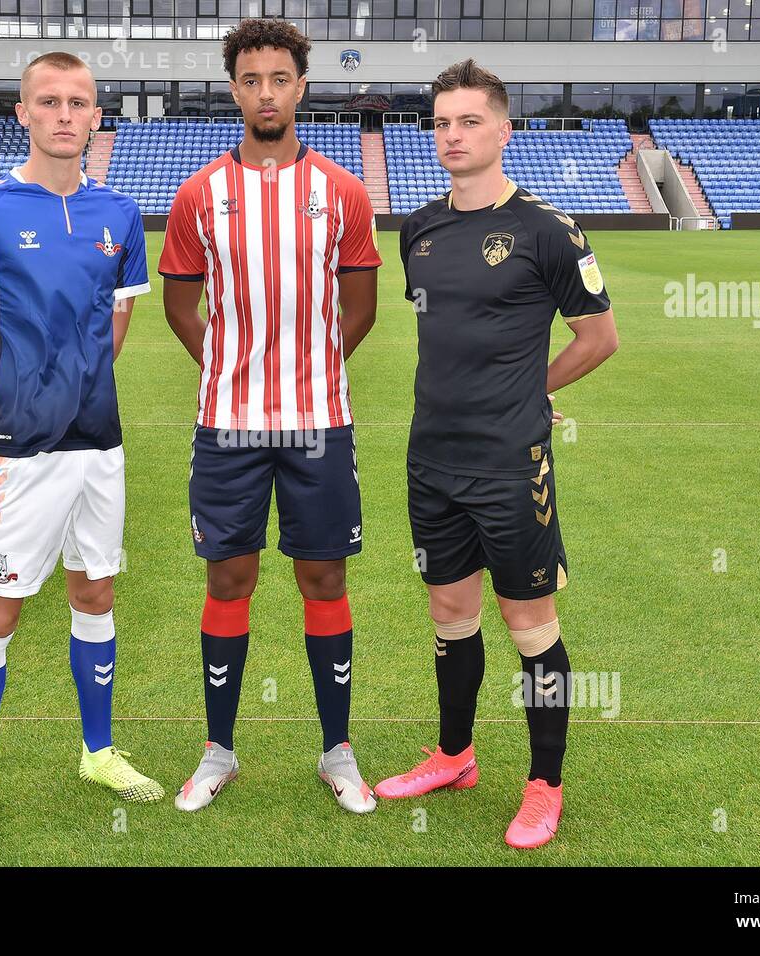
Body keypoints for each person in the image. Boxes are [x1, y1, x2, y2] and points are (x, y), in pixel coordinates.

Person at [375, 59, 619, 850]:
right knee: (450, 616)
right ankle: (454, 755)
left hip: (512, 462)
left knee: (528, 621)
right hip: (431, 458)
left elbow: (599, 338)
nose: (451, 135)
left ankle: (545, 785)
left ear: (503, 129)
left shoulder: (550, 231)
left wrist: (532, 389)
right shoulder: (418, 228)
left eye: (468, 121)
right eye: (441, 122)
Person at [0, 51, 161, 849]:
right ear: (23, 112)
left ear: (97, 116)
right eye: (50, 101)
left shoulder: (121, 216)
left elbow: (118, 326)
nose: (67, 114)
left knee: (96, 595)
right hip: (21, 456)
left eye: (81, 102)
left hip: (100, 447)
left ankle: (97, 753)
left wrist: (77, 396)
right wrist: (14, 407)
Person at [159, 18, 382, 814]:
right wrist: (228, 367)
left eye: (279, 78)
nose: (265, 92)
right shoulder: (200, 194)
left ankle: (338, 753)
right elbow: (178, 304)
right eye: (251, 79)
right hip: (229, 422)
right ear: (234, 89)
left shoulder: (341, 192)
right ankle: (219, 750)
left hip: (318, 417)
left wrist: (311, 371)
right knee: (230, 574)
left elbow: (361, 307)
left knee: (323, 574)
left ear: (300, 86)